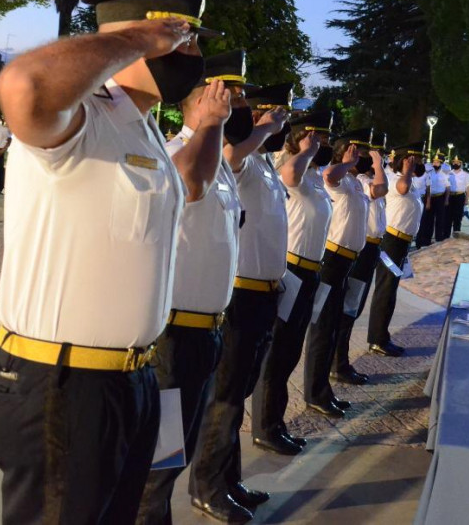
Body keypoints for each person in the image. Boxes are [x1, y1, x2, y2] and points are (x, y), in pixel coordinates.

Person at [0, 0, 214, 523]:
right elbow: (22, 84)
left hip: (130, 381)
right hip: (63, 389)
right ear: (147, 38)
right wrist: (133, 40)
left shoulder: (145, 129)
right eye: (186, 37)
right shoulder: (82, 120)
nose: (196, 56)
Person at [137, 51, 242, 524]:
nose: (233, 108)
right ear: (197, 103)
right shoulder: (178, 151)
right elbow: (188, 181)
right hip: (174, 340)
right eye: (223, 98)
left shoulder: (215, 159)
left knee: (173, 456)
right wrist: (210, 126)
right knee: (158, 462)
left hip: (206, 334)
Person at [191, 83, 296, 495]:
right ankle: (210, 486)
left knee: (238, 395)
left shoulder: (265, 164)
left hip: (266, 292)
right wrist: (264, 129)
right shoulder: (242, 158)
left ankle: (227, 480)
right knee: (226, 398)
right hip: (242, 294)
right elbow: (233, 154)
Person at [252, 111, 335, 448]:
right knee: (276, 353)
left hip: (311, 271)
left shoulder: (314, 173)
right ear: (304, 136)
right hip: (293, 269)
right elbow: (290, 173)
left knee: (289, 353)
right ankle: (265, 428)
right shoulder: (291, 165)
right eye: (320, 137)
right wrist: (306, 150)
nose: (325, 144)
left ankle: (276, 423)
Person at [304, 127, 372, 419]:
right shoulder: (339, 180)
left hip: (346, 262)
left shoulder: (355, 182)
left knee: (332, 326)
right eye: (357, 151)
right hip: (331, 260)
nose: (362, 157)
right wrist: (345, 161)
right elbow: (329, 175)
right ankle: (315, 393)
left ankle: (323, 391)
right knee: (322, 330)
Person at [333, 131, 389, 384]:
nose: (366, 159)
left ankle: (340, 363)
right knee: (346, 310)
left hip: (370, 250)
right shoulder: (352, 180)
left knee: (352, 308)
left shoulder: (360, 181)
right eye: (364, 154)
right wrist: (378, 165)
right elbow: (381, 189)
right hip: (359, 250)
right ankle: (339, 364)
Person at [367, 143, 426, 357]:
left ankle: (383, 336)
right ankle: (377, 340)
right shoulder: (394, 179)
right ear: (404, 161)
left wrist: (410, 173)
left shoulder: (409, 181)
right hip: (390, 242)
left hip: (401, 244)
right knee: (385, 290)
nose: (419, 164)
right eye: (414, 160)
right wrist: (408, 171)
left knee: (390, 290)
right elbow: (402, 188)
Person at [446, 156, 469, 234]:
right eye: (454, 162)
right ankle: (446, 236)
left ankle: (456, 236)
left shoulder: (465, 174)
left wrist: (467, 199)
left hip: (460, 196)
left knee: (458, 217)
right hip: (450, 196)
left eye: (457, 162)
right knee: (448, 217)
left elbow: (468, 188)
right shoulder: (448, 173)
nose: (455, 163)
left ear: (461, 163)